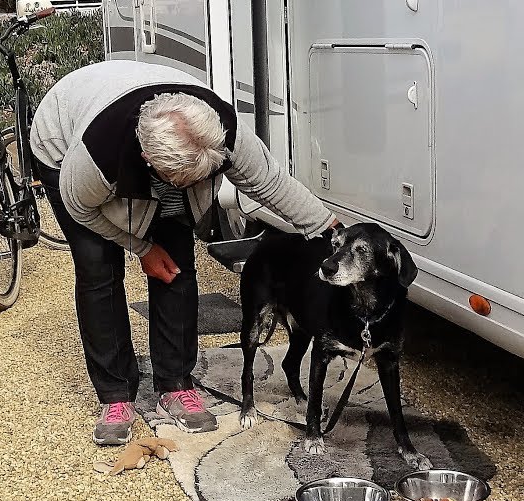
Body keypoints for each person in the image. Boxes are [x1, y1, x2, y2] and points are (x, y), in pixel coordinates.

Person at [30, 60, 339, 446]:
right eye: (183, 181)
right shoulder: (98, 156)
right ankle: (115, 393)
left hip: (159, 140)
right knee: (99, 270)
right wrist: (142, 247)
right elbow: (81, 208)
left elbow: (271, 184)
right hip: (63, 140)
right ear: (150, 162)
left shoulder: (220, 132)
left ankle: (175, 383)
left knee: (176, 266)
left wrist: (329, 229)